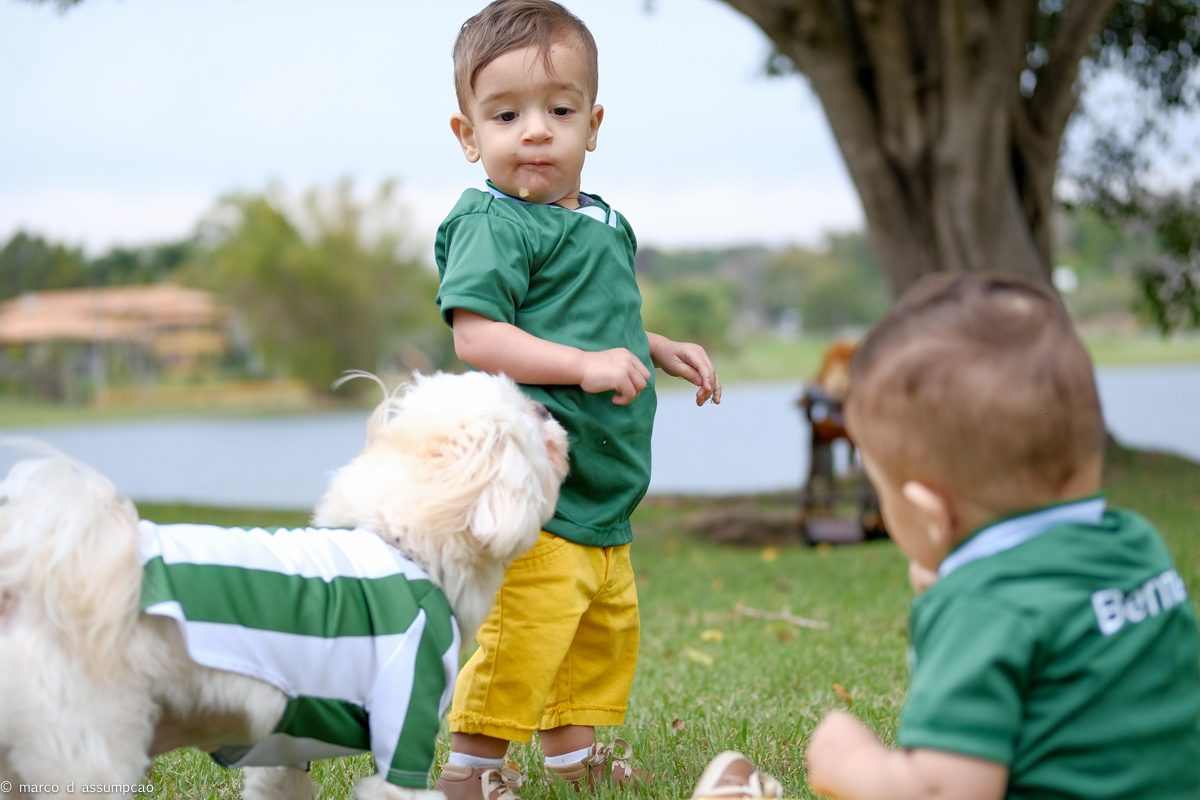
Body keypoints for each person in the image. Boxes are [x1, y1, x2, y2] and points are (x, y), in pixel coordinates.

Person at [695, 273, 1200, 800]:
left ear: (928, 512)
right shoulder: (1140, 547)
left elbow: (941, 792)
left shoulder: (981, 610)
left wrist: (847, 761)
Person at [431, 2, 722, 799]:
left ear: (592, 126)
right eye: (507, 113)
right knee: (526, 630)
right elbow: (478, 336)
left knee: (594, 630)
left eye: (559, 111)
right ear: (468, 136)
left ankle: (573, 759)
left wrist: (657, 348)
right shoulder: (495, 223)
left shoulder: (602, 222)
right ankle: (471, 772)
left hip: (605, 487)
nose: (535, 131)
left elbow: (603, 320)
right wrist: (583, 366)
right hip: (537, 485)